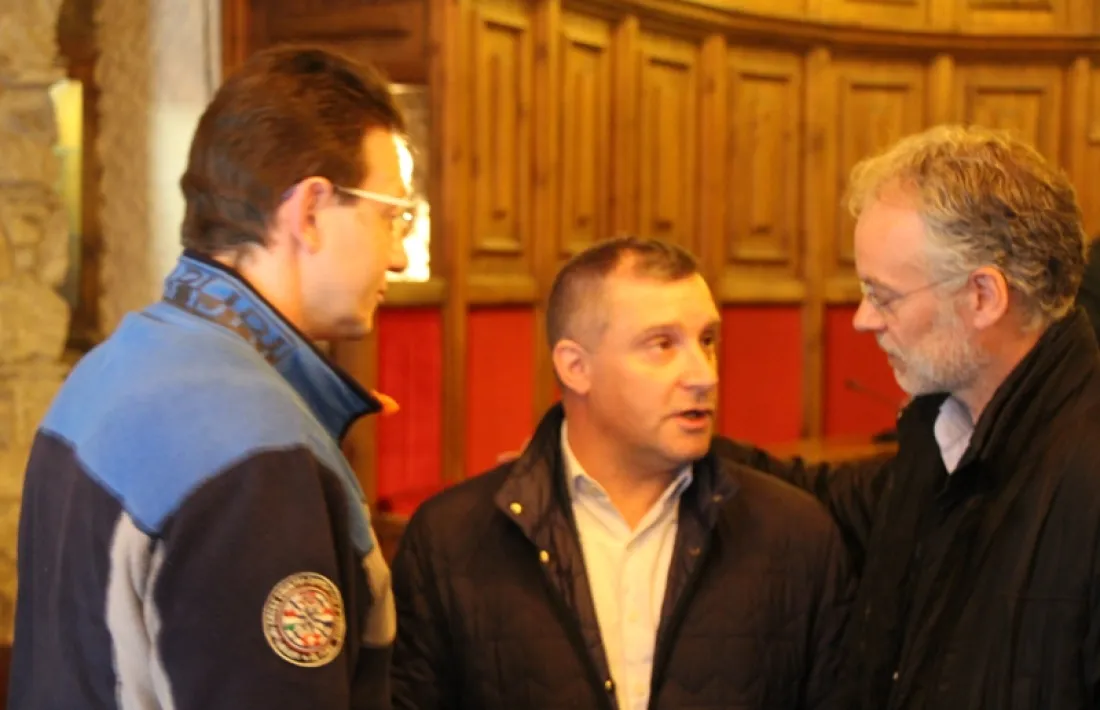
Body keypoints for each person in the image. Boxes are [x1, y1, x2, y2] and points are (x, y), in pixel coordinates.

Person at [7, 45, 416, 710]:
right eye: (390, 214)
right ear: (310, 211)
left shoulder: (111, 366)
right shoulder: (254, 450)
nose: (397, 254)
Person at [720, 124, 1100, 710]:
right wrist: (670, 445)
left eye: (885, 296)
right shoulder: (940, 434)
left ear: (983, 296)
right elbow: (825, 496)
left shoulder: (1083, 474)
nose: (863, 321)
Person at [390, 236, 853, 710]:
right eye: (661, 345)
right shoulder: (451, 540)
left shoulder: (797, 536)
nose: (704, 375)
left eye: (707, 341)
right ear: (576, 367)